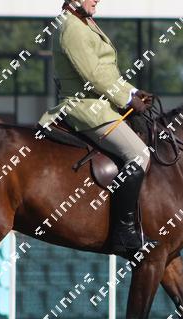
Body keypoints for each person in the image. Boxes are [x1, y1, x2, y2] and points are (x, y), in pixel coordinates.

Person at [39, 0, 158, 258]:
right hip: (86, 108)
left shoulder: (84, 22)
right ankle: (124, 233)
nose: (97, 0)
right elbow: (93, 75)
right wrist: (127, 99)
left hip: (103, 104)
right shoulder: (71, 26)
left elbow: (107, 74)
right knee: (139, 154)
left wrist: (133, 92)